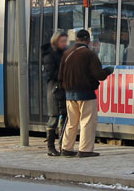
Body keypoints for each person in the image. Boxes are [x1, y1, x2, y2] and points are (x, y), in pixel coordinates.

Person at [57, 29, 113, 157]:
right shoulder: (89, 54)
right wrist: (108, 71)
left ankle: (66, 148)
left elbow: (60, 76)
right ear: (87, 40)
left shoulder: (67, 54)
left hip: (70, 94)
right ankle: (85, 150)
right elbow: (98, 75)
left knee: (71, 122)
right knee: (87, 121)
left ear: (76, 39)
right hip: (86, 94)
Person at [42, 30, 69, 156]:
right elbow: (50, 73)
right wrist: (63, 75)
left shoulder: (65, 53)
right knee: (53, 116)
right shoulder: (49, 54)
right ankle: (51, 146)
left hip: (63, 88)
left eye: (65, 41)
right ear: (56, 41)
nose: (64, 43)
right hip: (54, 88)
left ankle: (63, 145)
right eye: (62, 41)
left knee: (65, 116)